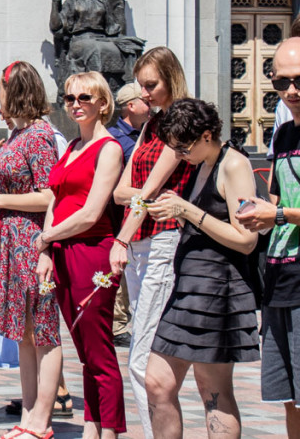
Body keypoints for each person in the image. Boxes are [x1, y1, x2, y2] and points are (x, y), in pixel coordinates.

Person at [144, 98, 259, 439]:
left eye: (183, 147)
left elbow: (246, 239)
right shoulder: (200, 163)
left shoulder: (233, 164)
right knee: (157, 382)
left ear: (207, 135)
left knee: (214, 392)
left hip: (219, 290)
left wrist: (188, 211)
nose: (179, 155)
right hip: (189, 289)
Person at [38, 71, 126, 438]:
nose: (75, 104)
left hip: (93, 252)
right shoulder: (73, 147)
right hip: (62, 251)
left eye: (84, 98)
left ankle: (112, 430)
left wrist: (46, 238)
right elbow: (55, 200)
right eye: (70, 97)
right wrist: (47, 249)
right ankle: (92, 426)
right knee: (85, 352)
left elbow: (91, 212)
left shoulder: (110, 148)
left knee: (100, 350)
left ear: (103, 104)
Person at [110, 46, 193, 439]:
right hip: (142, 240)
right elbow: (122, 191)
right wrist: (138, 197)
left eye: (151, 85)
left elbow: (148, 188)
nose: (144, 94)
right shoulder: (150, 125)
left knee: (142, 358)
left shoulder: (183, 120)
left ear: (171, 78)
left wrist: (121, 239)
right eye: (141, 86)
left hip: (165, 240)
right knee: (145, 357)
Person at [0, 61, 61, 439]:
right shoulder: (16, 135)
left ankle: (42, 418)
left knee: (42, 330)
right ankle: (29, 414)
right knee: (24, 332)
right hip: (11, 239)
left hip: (31, 239)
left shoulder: (39, 136)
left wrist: (0, 199)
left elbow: (50, 195)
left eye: (1, 87)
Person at [237, 35, 300, 438]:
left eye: (299, 80)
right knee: (289, 394)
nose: (291, 91)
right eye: (281, 83)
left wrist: (275, 213)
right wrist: (260, 215)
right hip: (280, 277)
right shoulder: (284, 134)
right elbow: (277, 193)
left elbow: (279, 207)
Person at [107, 82, 150, 346]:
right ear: (131, 106)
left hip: (143, 215)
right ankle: (118, 324)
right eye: (144, 100)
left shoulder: (147, 135)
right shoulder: (115, 139)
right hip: (120, 214)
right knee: (120, 271)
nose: (150, 104)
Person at [108, 83, 149, 164]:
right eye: (146, 103)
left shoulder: (150, 132)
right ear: (131, 106)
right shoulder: (112, 137)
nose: (151, 106)